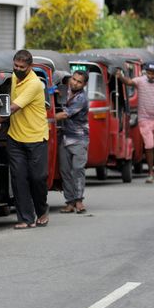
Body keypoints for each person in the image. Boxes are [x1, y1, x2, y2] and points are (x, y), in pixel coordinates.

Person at [3, 50, 49, 229]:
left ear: (30, 67)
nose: (18, 69)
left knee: (37, 178)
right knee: (18, 178)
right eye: (15, 66)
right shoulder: (14, 77)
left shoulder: (34, 84)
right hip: (15, 136)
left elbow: (12, 107)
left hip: (36, 137)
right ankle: (25, 218)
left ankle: (42, 210)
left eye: (22, 67)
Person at [117, 63, 154, 183]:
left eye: (153, 73)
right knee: (149, 146)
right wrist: (120, 77)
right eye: (148, 72)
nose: (150, 75)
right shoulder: (140, 81)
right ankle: (150, 174)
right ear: (145, 72)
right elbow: (128, 82)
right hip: (144, 119)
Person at [55, 70, 89, 214]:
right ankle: (69, 202)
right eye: (73, 79)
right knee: (65, 172)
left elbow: (65, 114)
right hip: (64, 137)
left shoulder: (82, 98)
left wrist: (44, 118)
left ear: (84, 84)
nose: (74, 83)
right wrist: (53, 91)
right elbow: (50, 92)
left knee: (78, 170)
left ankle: (79, 201)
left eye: (79, 81)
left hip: (79, 139)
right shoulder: (64, 90)